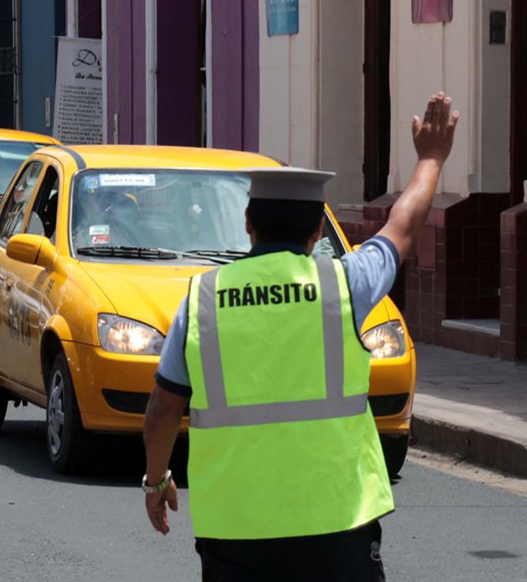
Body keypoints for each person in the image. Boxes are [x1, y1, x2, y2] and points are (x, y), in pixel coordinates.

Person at [142, 92, 460, 580]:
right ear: (317, 232)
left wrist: (156, 479)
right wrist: (431, 159)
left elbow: (163, 409)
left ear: (247, 224)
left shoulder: (200, 300)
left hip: (235, 527)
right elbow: (403, 225)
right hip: (337, 521)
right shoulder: (345, 283)